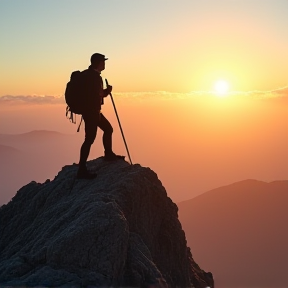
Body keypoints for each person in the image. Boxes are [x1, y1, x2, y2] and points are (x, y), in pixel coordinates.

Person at [77, 53, 123, 179]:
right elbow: (99, 94)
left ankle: (108, 154)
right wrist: (108, 91)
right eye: (103, 61)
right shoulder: (95, 77)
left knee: (107, 129)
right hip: (92, 112)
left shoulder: (87, 75)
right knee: (90, 139)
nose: (104, 64)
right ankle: (81, 170)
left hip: (91, 112)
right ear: (98, 63)